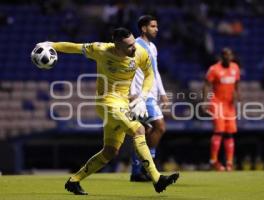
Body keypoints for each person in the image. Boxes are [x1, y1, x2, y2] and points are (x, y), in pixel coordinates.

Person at [36, 28, 179, 195]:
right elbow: (74, 47)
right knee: (138, 129)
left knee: (110, 151)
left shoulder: (139, 52)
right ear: (117, 46)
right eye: (129, 46)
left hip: (124, 104)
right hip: (107, 103)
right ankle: (157, 179)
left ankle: (74, 181)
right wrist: (50, 44)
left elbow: (149, 74)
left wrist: (142, 96)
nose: (134, 47)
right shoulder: (101, 50)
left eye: (134, 43)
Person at [129, 15, 169, 182]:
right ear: (144, 28)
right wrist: (132, 93)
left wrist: (163, 92)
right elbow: (128, 69)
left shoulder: (152, 47)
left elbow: (155, 71)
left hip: (150, 94)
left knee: (145, 131)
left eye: (156, 26)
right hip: (140, 95)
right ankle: (147, 165)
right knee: (159, 127)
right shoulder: (135, 46)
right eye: (153, 26)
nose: (156, 29)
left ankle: (138, 170)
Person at [202, 48, 241, 171]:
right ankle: (214, 160)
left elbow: (237, 83)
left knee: (229, 133)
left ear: (232, 56)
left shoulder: (235, 68)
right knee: (219, 131)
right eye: (225, 55)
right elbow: (206, 85)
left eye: (229, 55)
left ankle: (229, 163)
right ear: (221, 57)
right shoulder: (214, 69)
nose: (227, 57)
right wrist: (205, 101)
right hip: (217, 103)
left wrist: (237, 94)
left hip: (229, 105)